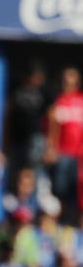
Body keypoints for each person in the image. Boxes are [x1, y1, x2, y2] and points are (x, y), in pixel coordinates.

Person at [45, 65, 83, 224]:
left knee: (79, 193)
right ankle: (62, 223)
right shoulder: (58, 101)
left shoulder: (81, 101)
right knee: (61, 190)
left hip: (79, 155)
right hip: (63, 153)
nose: (68, 85)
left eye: (71, 81)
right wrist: (51, 148)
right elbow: (53, 129)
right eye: (65, 81)